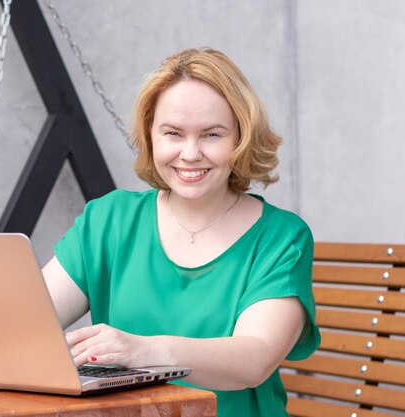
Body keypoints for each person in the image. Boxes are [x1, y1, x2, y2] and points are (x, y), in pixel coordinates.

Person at [42, 47, 320, 417]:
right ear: (151, 135)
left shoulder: (281, 237)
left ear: (241, 137)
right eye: (173, 133)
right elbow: (29, 318)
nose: (190, 153)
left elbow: (254, 358)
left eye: (211, 134)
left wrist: (145, 351)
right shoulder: (108, 220)